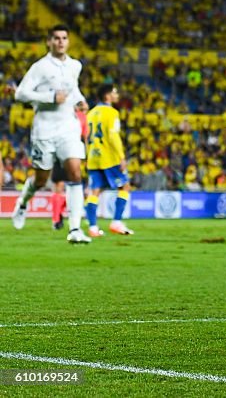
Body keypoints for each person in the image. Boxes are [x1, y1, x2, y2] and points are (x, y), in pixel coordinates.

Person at [12, 25, 91, 243]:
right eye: (56, 38)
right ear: (49, 42)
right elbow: (20, 93)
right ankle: (23, 203)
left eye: (64, 38)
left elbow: (72, 89)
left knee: (75, 171)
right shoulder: (40, 67)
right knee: (41, 179)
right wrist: (49, 97)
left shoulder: (75, 65)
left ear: (68, 41)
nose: (60, 42)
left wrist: (79, 100)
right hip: (44, 129)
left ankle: (75, 229)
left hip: (68, 127)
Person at [85, 84, 134, 236]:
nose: (117, 95)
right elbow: (113, 136)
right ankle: (116, 222)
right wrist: (121, 157)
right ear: (107, 96)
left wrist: (89, 155)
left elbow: (86, 137)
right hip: (109, 157)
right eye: (114, 92)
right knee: (125, 187)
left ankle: (93, 227)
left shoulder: (91, 113)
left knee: (94, 191)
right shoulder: (112, 112)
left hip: (93, 156)